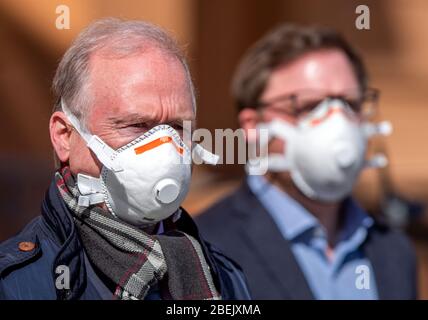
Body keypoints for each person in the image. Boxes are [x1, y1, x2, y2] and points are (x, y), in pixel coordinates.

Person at [0, 18, 250, 300]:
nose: (164, 148)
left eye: (178, 127)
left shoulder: (224, 279)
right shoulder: (16, 285)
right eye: (136, 126)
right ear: (63, 135)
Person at [196, 24, 417, 300]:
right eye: (309, 107)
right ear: (253, 126)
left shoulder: (393, 250)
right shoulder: (206, 249)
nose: (337, 122)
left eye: (350, 104)